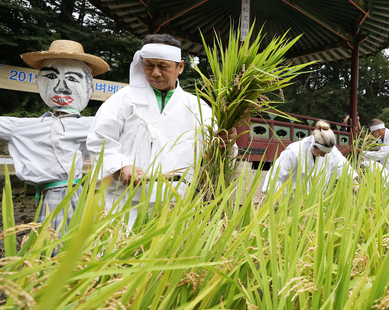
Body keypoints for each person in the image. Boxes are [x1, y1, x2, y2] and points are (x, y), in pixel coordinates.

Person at [87, 34, 235, 228]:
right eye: (149, 65)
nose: (155, 73)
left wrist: (225, 144)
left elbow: (217, 156)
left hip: (177, 203)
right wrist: (122, 165)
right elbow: (100, 139)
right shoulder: (123, 99)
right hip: (123, 201)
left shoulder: (197, 107)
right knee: (118, 253)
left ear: (180, 67)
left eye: (163, 66)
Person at [0, 40, 109, 250]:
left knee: (54, 250)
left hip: (67, 193)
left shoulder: (94, 124)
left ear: (87, 85)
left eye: (72, 78)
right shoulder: (25, 127)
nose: (60, 87)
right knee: (54, 247)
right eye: (51, 76)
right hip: (49, 195)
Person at [262, 120, 357, 193]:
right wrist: (279, 199)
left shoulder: (332, 151)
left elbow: (344, 168)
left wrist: (355, 184)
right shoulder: (294, 152)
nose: (324, 156)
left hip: (316, 199)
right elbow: (275, 177)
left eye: (327, 153)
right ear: (313, 146)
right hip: (290, 199)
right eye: (321, 153)